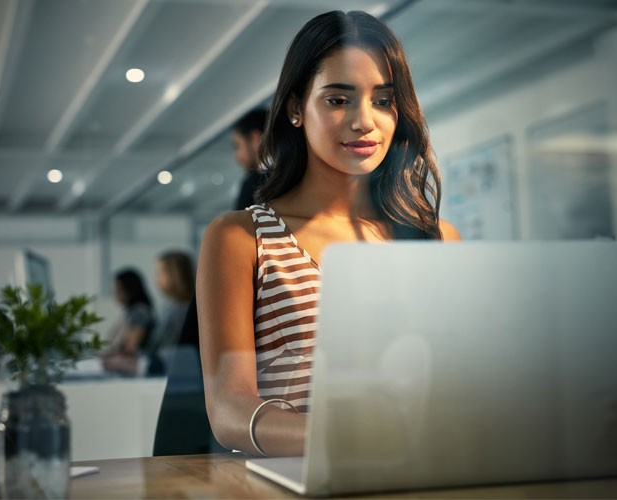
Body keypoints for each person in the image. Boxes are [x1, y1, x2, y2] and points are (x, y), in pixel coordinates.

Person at [196, 10, 461, 457]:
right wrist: (345, 437)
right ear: (297, 108)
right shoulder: (240, 238)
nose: (364, 121)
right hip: (301, 477)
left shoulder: (436, 238)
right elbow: (229, 411)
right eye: (339, 100)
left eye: (382, 100)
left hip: (423, 473)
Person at [144, 250, 196, 375]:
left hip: (171, 372)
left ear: (174, 275)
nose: (156, 279)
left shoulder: (179, 311)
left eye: (160, 273)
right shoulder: (171, 306)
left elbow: (164, 348)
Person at [100, 268, 156, 376]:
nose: (115, 294)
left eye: (118, 289)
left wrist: (110, 357)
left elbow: (131, 347)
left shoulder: (140, 312)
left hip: (128, 367)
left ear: (130, 289)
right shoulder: (130, 312)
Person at [232, 108, 269, 210]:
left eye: (238, 146)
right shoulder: (296, 171)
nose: (237, 157)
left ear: (255, 138)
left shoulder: (251, 187)